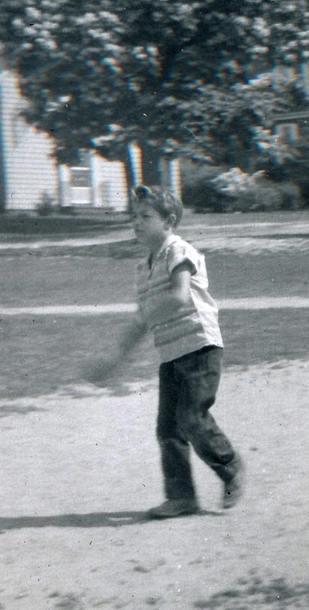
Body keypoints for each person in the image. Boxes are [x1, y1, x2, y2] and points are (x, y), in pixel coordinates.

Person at [89, 185, 243, 519]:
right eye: (134, 217)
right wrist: (115, 361)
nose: (137, 222)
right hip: (172, 354)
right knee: (168, 429)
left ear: (169, 221)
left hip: (199, 347)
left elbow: (179, 296)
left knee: (191, 418)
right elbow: (143, 320)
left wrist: (145, 318)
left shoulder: (177, 250)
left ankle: (230, 466)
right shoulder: (142, 270)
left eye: (146, 216)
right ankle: (181, 497)